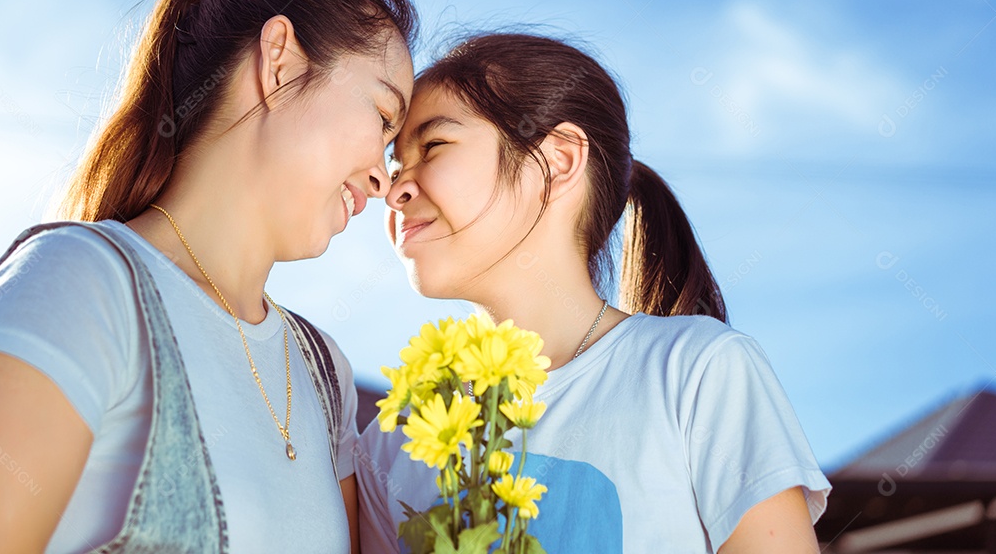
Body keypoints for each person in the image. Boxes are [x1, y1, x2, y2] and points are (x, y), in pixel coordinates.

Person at [0, 0, 417, 553]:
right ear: (279, 62)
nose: (384, 179)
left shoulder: (323, 374)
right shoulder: (81, 284)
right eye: (383, 117)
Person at [356, 33, 831, 553]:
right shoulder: (392, 441)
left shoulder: (697, 372)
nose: (394, 188)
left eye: (434, 147)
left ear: (558, 160)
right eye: (396, 165)